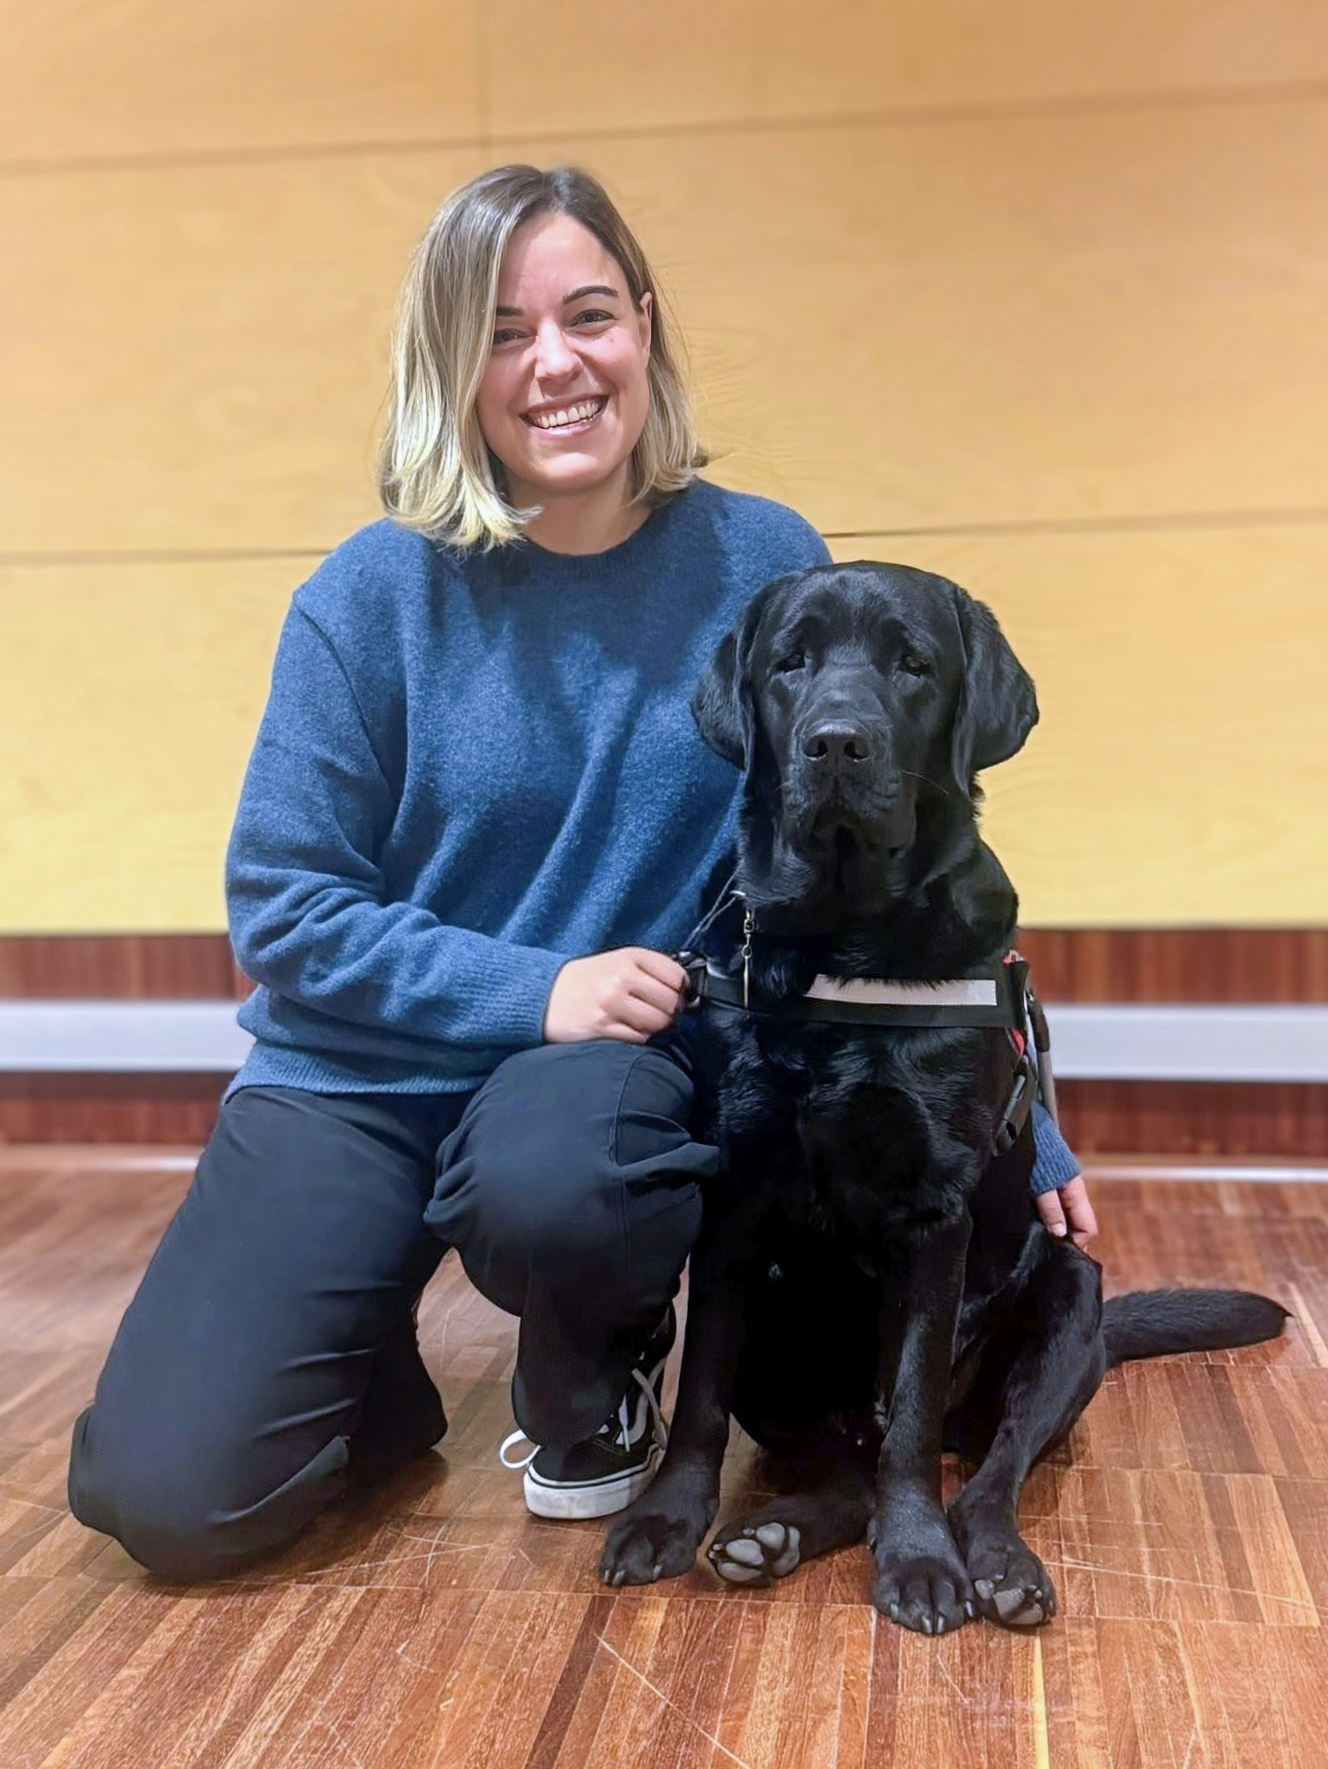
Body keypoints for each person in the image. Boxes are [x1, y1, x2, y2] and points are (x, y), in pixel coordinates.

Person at [67, 165, 1097, 1582]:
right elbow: (285, 908)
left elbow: (904, 851)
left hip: (590, 1086)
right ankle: (365, 1381)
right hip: (354, 1074)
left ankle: (595, 1376)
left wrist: (1019, 1120)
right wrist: (533, 985)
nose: (554, 362)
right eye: (502, 332)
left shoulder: (763, 561)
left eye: (589, 316)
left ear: (645, 330)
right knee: (167, 1498)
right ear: (453, 366)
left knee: (572, 1175)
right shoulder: (367, 595)